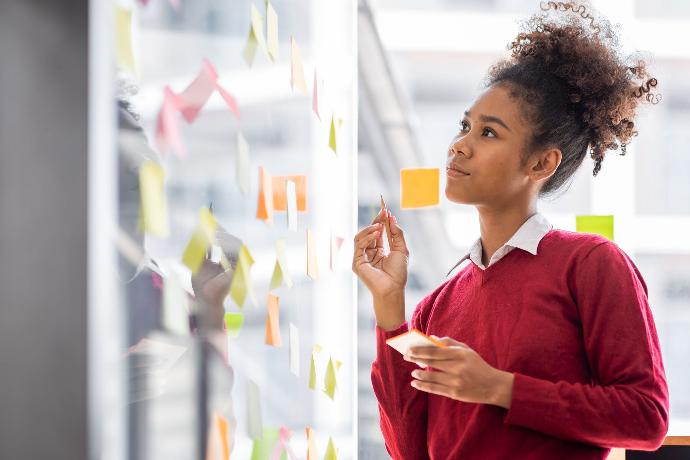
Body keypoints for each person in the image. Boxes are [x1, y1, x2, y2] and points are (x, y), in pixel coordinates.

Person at [352, 2, 669, 459]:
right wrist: (388, 306)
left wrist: (499, 388)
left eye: (488, 133)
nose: (459, 144)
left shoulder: (591, 264)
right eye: (466, 126)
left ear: (541, 163)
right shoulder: (437, 305)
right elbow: (409, 451)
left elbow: (645, 419)